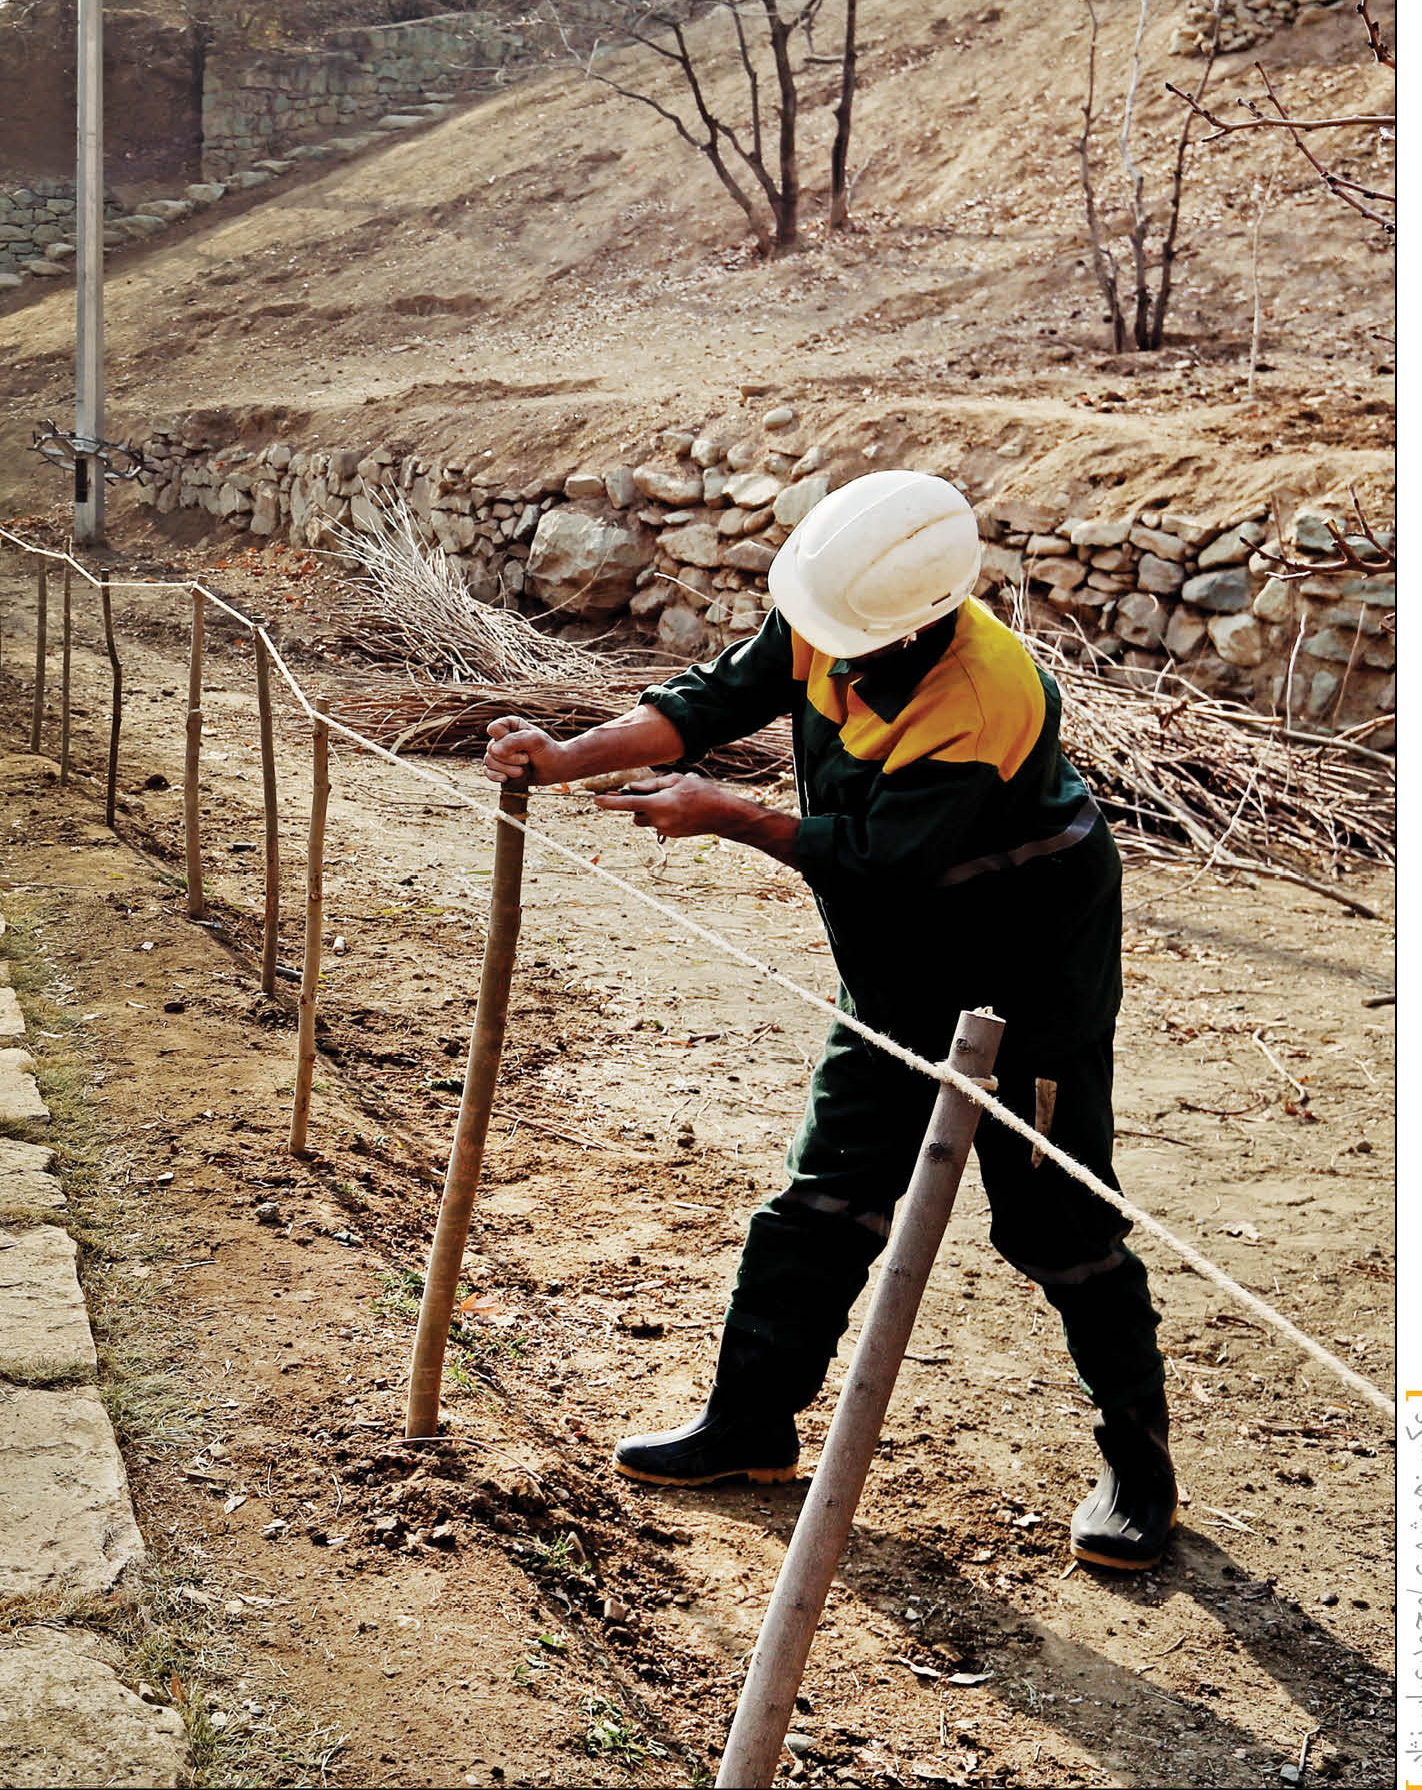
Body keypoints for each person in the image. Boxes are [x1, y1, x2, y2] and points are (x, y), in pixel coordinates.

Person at [483, 469, 1176, 1572]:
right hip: (899, 967)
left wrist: (727, 815)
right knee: (823, 1196)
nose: (814, 647)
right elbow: (709, 699)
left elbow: (882, 858)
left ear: (914, 623)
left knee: (1057, 1227)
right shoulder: (835, 612)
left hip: (1029, 974)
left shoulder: (982, 696)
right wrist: (571, 754)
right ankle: (748, 1423)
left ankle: (1141, 1472)